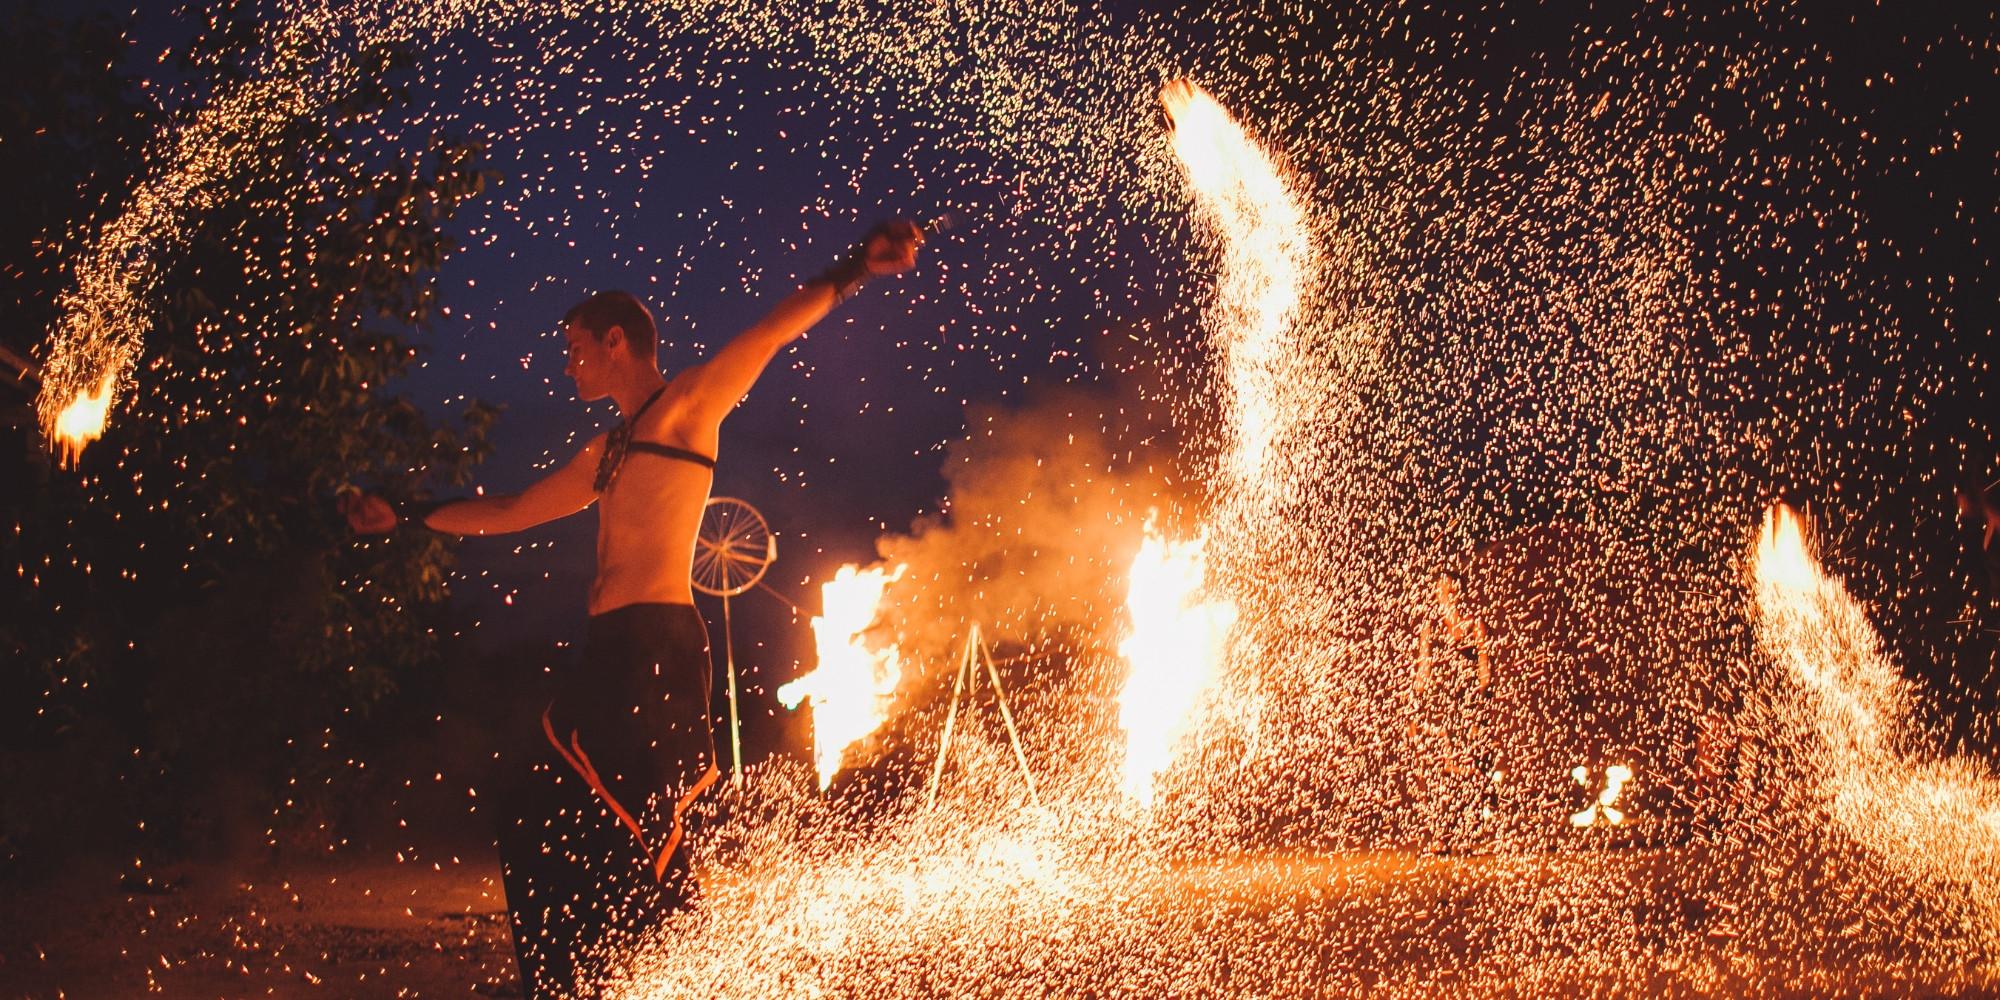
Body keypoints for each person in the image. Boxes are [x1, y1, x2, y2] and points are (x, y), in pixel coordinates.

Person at [341, 220, 924, 999]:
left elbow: (769, 333)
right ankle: (589, 983)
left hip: (656, 645)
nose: (569, 364)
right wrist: (408, 514)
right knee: (543, 807)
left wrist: (856, 266)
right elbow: (513, 509)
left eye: (576, 347)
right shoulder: (609, 449)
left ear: (616, 341)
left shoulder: (686, 406)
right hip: (612, 648)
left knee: (637, 825)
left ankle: (672, 973)